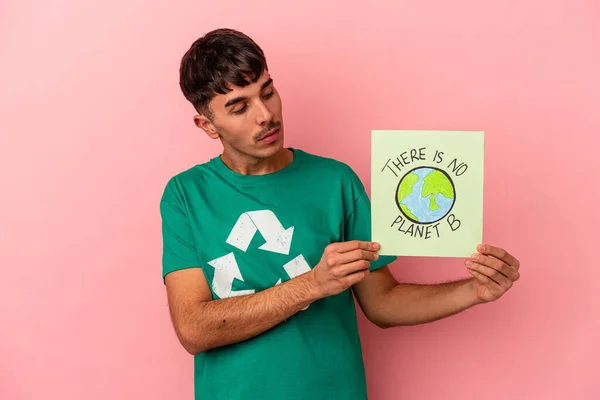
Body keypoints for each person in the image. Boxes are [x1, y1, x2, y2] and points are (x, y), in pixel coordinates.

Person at [159, 28, 521, 400]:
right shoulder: (185, 195)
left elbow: (383, 302)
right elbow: (194, 329)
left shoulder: (335, 182)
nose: (265, 116)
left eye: (268, 92)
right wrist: (313, 285)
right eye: (240, 107)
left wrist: (473, 291)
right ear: (207, 125)